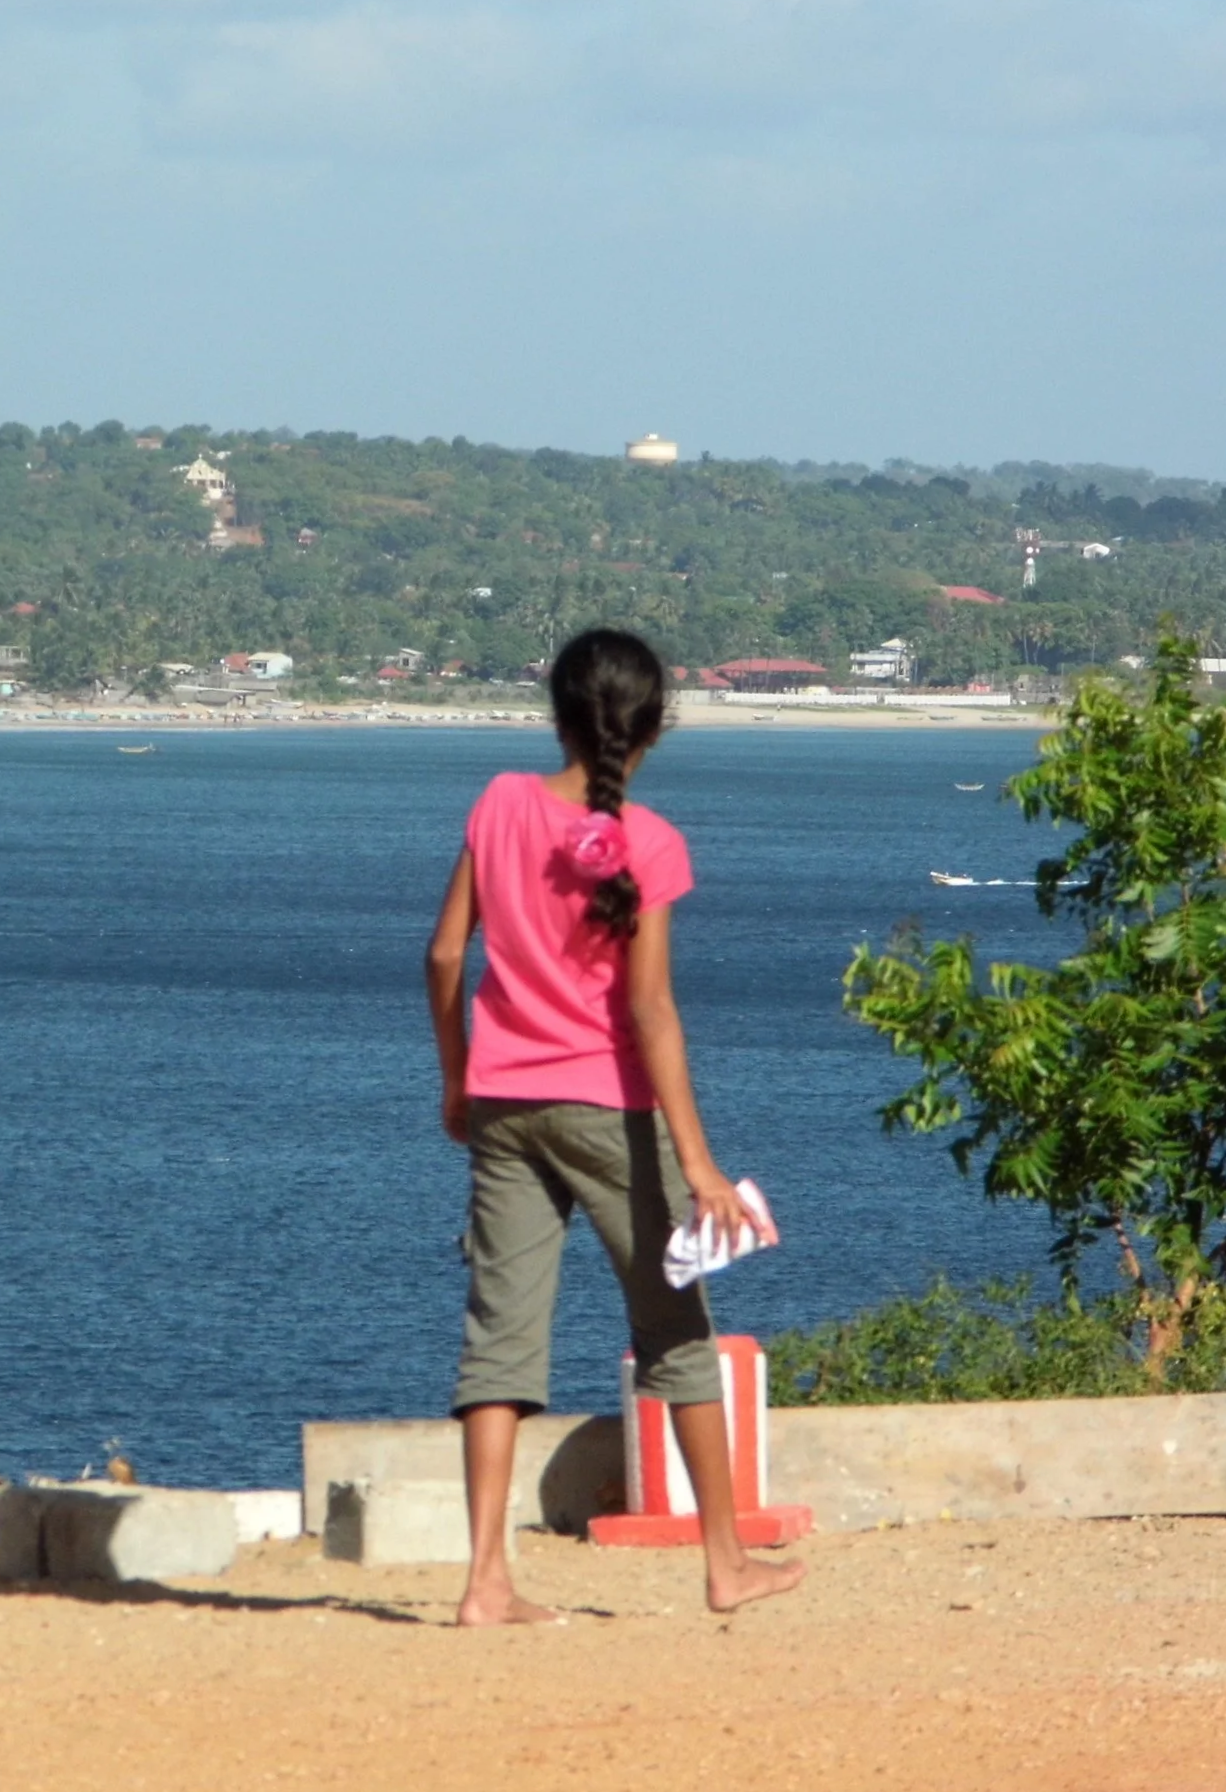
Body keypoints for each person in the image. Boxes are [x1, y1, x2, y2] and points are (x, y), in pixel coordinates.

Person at [425, 628, 805, 1626]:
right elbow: (648, 1014)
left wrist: (457, 1079)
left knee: (499, 1340)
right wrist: (699, 1162)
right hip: (610, 1112)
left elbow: (440, 957)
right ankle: (724, 1565)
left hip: (503, 1103)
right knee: (675, 1334)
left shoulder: (497, 802)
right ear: (651, 728)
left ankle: (483, 1583)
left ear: (555, 713)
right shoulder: (651, 842)